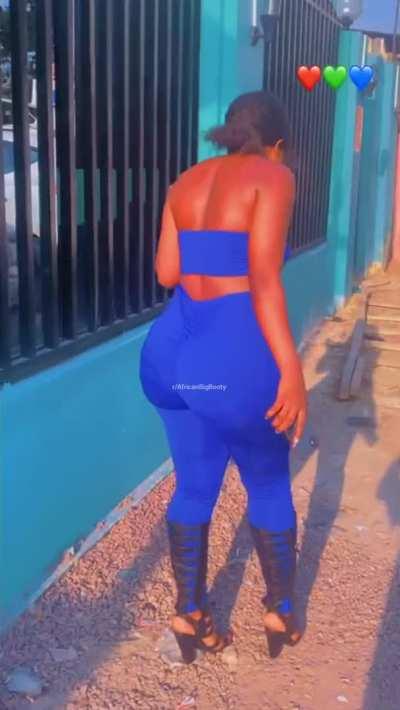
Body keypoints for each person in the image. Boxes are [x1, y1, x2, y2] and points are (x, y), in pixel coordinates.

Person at [139, 91, 308, 662]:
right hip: (228, 352)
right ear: (276, 142)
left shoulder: (185, 182)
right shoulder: (273, 176)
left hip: (168, 353)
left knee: (193, 484)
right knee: (268, 482)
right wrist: (291, 370)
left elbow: (167, 271)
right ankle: (280, 608)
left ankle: (190, 611)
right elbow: (264, 279)